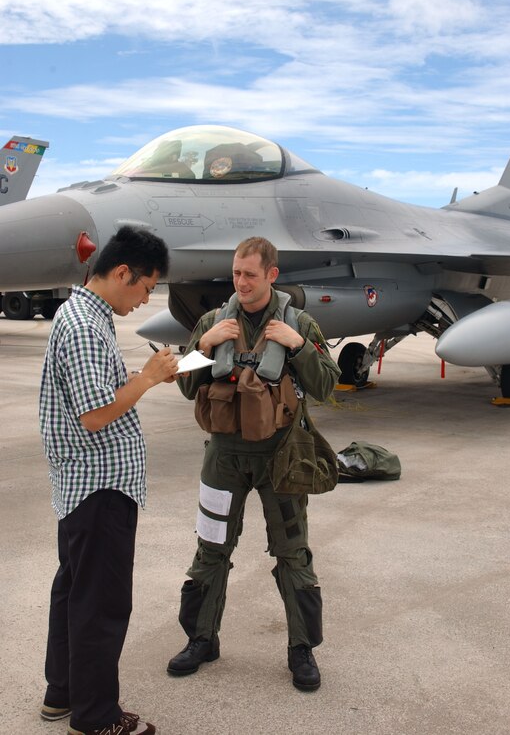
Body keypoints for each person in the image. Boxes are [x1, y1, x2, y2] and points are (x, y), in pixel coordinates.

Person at [167, 236, 340, 692]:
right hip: (223, 457)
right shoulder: (211, 321)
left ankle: (300, 650)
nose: (240, 282)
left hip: (281, 457)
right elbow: (185, 386)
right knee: (211, 549)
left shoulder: (298, 322)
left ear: (272, 276)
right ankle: (201, 640)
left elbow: (326, 387)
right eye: (236, 273)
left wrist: (298, 345)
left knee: (292, 552)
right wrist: (204, 344)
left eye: (250, 274)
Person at [39, 226, 179, 735]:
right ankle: (95, 717)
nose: (145, 300)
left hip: (88, 485)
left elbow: (98, 396)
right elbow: (95, 414)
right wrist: (147, 378)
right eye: (146, 288)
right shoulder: (82, 324)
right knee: (101, 603)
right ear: (123, 273)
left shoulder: (85, 318)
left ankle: (64, 694)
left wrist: (145, 378)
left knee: (75, 591)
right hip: (98, 488)